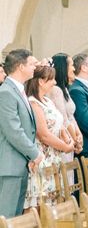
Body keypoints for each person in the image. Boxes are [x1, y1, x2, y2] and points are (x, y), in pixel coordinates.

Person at [24, 64, 74, 208]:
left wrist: (68, 138)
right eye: (52, 79)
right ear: (41, 81)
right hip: (42, 158)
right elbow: (43, 134)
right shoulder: (33, 103)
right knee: (40, 205)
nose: (55, 82)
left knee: (53, 205)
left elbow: (60, 124)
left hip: (54, 157)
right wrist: (65, 147)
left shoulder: (48, 101)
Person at [0, 49, 42, 219]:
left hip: (20, 163)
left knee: (16, 218)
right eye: (32, 64)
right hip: (9, 165)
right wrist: (34, 153)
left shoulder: (18, 90)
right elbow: (13, 130)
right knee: (6, 216)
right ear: (20, 66)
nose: (35, 67)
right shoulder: (6, 92)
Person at [48, 54, 83, 161]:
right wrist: (75, 140)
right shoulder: (55, 90)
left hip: (71, 138)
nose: (73, 68)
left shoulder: (65, 90)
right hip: (64, 139)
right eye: (71, 65)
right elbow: (64, 119)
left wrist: (79, 134)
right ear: (63, 68)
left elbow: (71, 116)